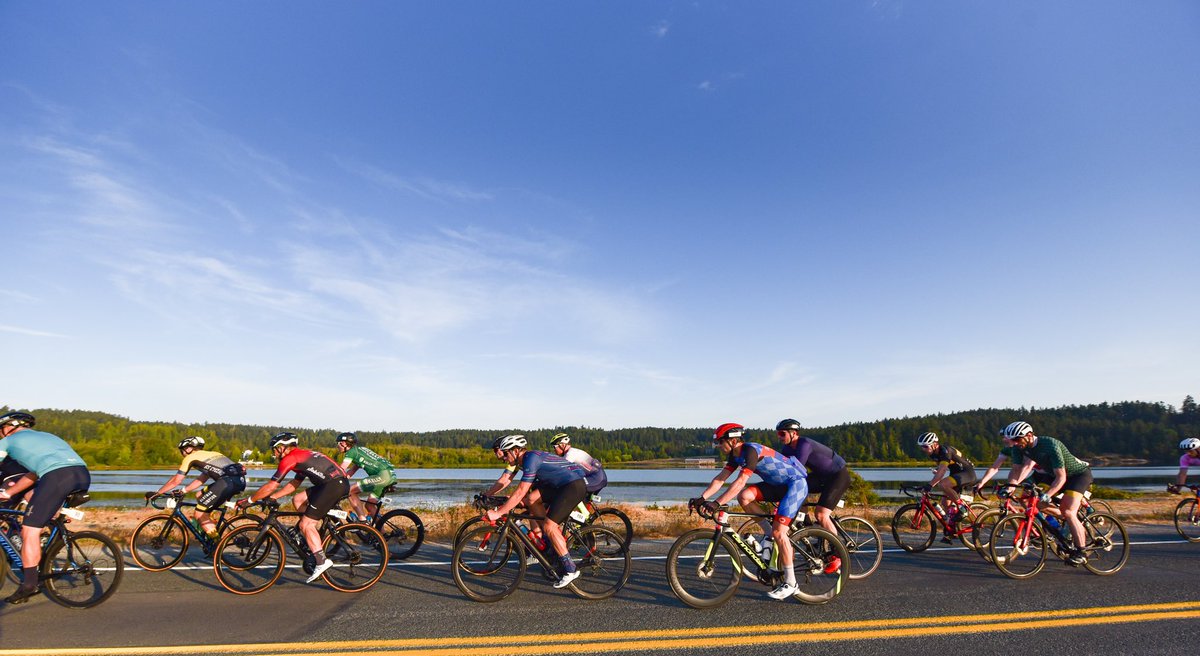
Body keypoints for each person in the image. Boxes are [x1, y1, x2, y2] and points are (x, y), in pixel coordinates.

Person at [696, 422, 825, 601]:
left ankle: (791, 583)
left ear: (732, 440)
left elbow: (741, 481)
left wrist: (717, 503)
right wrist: (701, 498)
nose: (718, 445)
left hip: (795, 484)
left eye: (720, 441)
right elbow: (720, 479)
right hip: (777, 486)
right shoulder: (735, 455)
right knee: (744, 497)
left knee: (780, 533)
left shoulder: (750, 451)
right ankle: (769, 533)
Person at [0, 411, 90, 604]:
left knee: (29, 530)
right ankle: (51, 541)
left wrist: (8, 492)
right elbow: (33, 474)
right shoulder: (45, 437)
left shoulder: (7, 441)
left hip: (58, 477)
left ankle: (29, 585)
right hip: (82, 474)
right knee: (44, 514)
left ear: (8, 427)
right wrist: (9, 493)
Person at [236, 432, 350, 583]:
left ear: (282, 447)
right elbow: (294, 484)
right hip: (332, 484)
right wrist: (274, 497)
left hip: (333, 485)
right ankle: (313, 532)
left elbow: (272, 485)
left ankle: (321, 561)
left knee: (306, 524)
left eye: (275, 449)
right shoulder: (300, 456)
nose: (274, 453)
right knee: (298, 499)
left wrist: (250, 500)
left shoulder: (290, 458)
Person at [484, 434, 588, 589]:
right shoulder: (522, 460)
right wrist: (491, 496)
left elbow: (520, 491)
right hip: (559, 485)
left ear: (515, 451)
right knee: (531, 499)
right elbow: (511, 484)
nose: (504, 458)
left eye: (505, 454)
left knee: (549, 526)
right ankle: (549, 543)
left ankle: (570, 569)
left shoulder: (530, 459)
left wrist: (499, 512)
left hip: (572, 486)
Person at [1001, 421, 1093, 566]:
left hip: (1077, 476)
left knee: (1068, 511)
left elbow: (1061, 477)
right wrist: (1010, 487)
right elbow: (1016, 470)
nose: (1015, 443)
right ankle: (1056, 526)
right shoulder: (1018, 447)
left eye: (1017, 439)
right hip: (1052, 475)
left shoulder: (1050, 444)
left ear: (1029, 435)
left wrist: (1048, 495)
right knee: (1025, 497)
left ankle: (1081, 552)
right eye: (1012, 440)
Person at [740, 418, 850, 539]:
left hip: (837, 476)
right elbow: (785, 473)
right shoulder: (787, 449)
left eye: (782, 434)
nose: (779, 437)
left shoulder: (804, 444)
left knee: (821, 514)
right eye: (778, 434)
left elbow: (796, 470)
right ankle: (806, 522)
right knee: (799, 486)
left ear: (794, 433)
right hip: (820, 476)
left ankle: (837, 548)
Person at [148, 436, 246, 538]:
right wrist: (183, 490)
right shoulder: (212, 454)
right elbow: (201, 479)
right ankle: (208, 525)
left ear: (188, 449)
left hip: (226, 482)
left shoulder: (190, 458)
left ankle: (216, 543)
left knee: (199, 514)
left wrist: (157, 493)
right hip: (239, 481)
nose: (182, 453)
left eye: (182, 450)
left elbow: (176, 480)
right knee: (199, 495)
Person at [915, 432, 976, 537]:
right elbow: (943, 467)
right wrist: (937, 471)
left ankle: (962, 508)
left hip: (967, 473)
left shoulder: (945, 451)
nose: (923, 449)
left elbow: (943, 470)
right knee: (945, 502)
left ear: (934, 444)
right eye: (922, 447)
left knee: (943, 484)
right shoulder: (933, 454)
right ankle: (953, 528)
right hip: (956, 474)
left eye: (925, 446)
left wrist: (930, 485)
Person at [335, 432, 396, 521]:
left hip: (382, 475)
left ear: (343, 443)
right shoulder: (360, 450)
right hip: (389, 475)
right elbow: (352, 471)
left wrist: (329, 479)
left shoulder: (351, 452)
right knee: (369, 505)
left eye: (338, 443)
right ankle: (381, 529)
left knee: (350, 491)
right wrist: (342, 480)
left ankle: (362, 520)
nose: (337, 446)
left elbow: (341, 470)